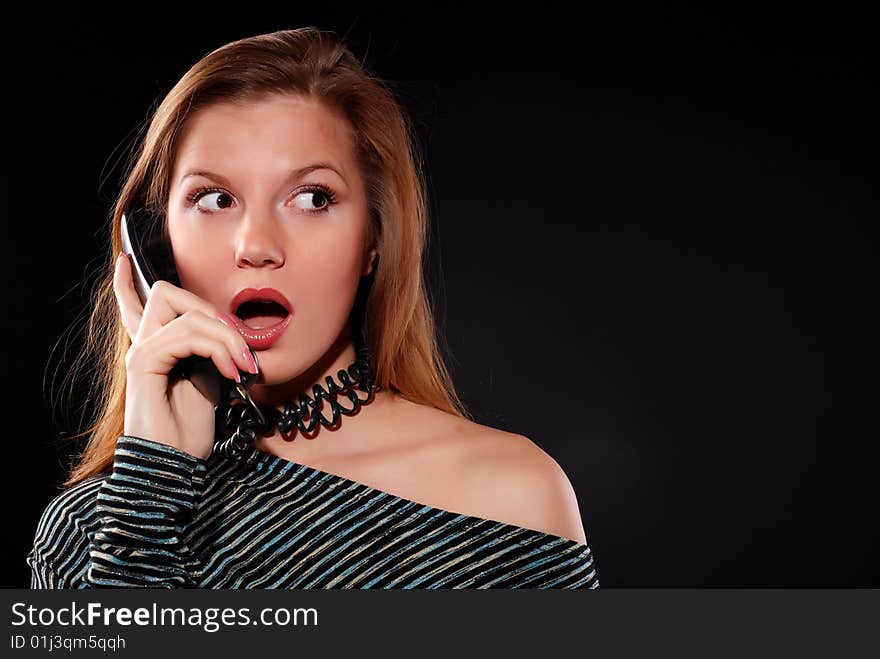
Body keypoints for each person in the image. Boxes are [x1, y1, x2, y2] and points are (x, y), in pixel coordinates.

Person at [27, 27, 600, 588]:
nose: (255, 246)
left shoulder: (514, 498)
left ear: (374, 239)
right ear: (154, 245)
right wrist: (151, 486)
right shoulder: (89, 532)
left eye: (311, 199)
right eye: (215, 199)